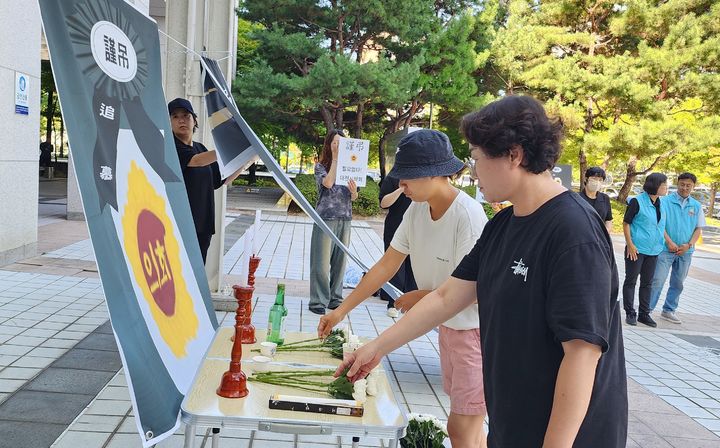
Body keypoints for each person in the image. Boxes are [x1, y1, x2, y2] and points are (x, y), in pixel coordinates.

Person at [336, 96, 628, 448]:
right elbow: (446, 297)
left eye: (476, 158)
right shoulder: (503, 224)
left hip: (566, 437)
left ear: (514, 155)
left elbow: (582, 353)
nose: (472, 171)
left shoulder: (573, 231)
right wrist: (375, 348)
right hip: (513, 423)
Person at [319, 129, 488, 448]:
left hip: (476, 333)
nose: (401, 185)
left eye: (408, 177)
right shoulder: (416, 208)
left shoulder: (468, 215)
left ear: (436, 173)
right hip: (449, 330)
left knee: (462, 429)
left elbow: (469, 291)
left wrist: (422, 296)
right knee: (469, 430)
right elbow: (386, 265)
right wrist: (340, 311)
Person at [169, 98, 240, 264]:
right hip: (179, 224)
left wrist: (246, 160)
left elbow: (221, 179)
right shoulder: (169, 147)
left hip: (203, 225)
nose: (181, 120)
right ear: (170, 122)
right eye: (175, 116)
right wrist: (229, 147)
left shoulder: (201, 148)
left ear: (194, 120)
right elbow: (196, 161)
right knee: (179, 273)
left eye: (186, 115)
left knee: (198, 272)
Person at [308, 129, 358, 315]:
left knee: (340, 261)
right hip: (325, 218)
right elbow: (328, 184)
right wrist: (336, 159)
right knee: (320, 262)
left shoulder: (351, 165)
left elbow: (354, 197)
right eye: (335, 142)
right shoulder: (321, 166)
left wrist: (353, 191)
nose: (338, 146)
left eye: (341, 143)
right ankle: (318, 301)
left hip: (345, 217)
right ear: (329, 144)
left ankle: (335, 298)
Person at [649, 172, 705, 324]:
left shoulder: (696, 205)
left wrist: (688, 245)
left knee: (678, 282)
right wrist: (669, 242)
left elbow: (698, 229)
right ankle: (647, 310)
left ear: (693, 186)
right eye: (682, 184)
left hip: (685, 251)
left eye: (689, 185)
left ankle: (669, 310)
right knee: (657, 280)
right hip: (666, 249)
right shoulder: (664, 201)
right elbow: (659, 224)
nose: (685, 188)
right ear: (677, 183)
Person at [622, 172, 668, 327]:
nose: (666, 188)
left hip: (654, 250)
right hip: (636, 249)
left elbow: (660, 226)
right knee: (631, 281)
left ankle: (644, 314)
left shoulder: (662, 203)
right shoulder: (637, 201)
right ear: (655, 185)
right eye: (664, 185)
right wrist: (630, 244)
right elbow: (626, 223)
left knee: (647, 283)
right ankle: (630, 312)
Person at [378, 174, 417, 317]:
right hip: (395, 227)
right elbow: (383, 203)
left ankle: (412, 304)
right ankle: (393, 303)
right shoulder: (393, 178)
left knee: (415, 268)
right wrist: (400, 189)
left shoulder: (421, 178)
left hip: (418, 229)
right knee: (395, 267)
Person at [580, 167, 613, 232]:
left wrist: (606, 232)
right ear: (586, 179)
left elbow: (608, 219)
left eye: (600, 180)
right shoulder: (577, 198)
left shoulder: (605, 198)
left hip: (599, 238)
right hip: (581, 236)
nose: (597, 182)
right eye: (594, 179)